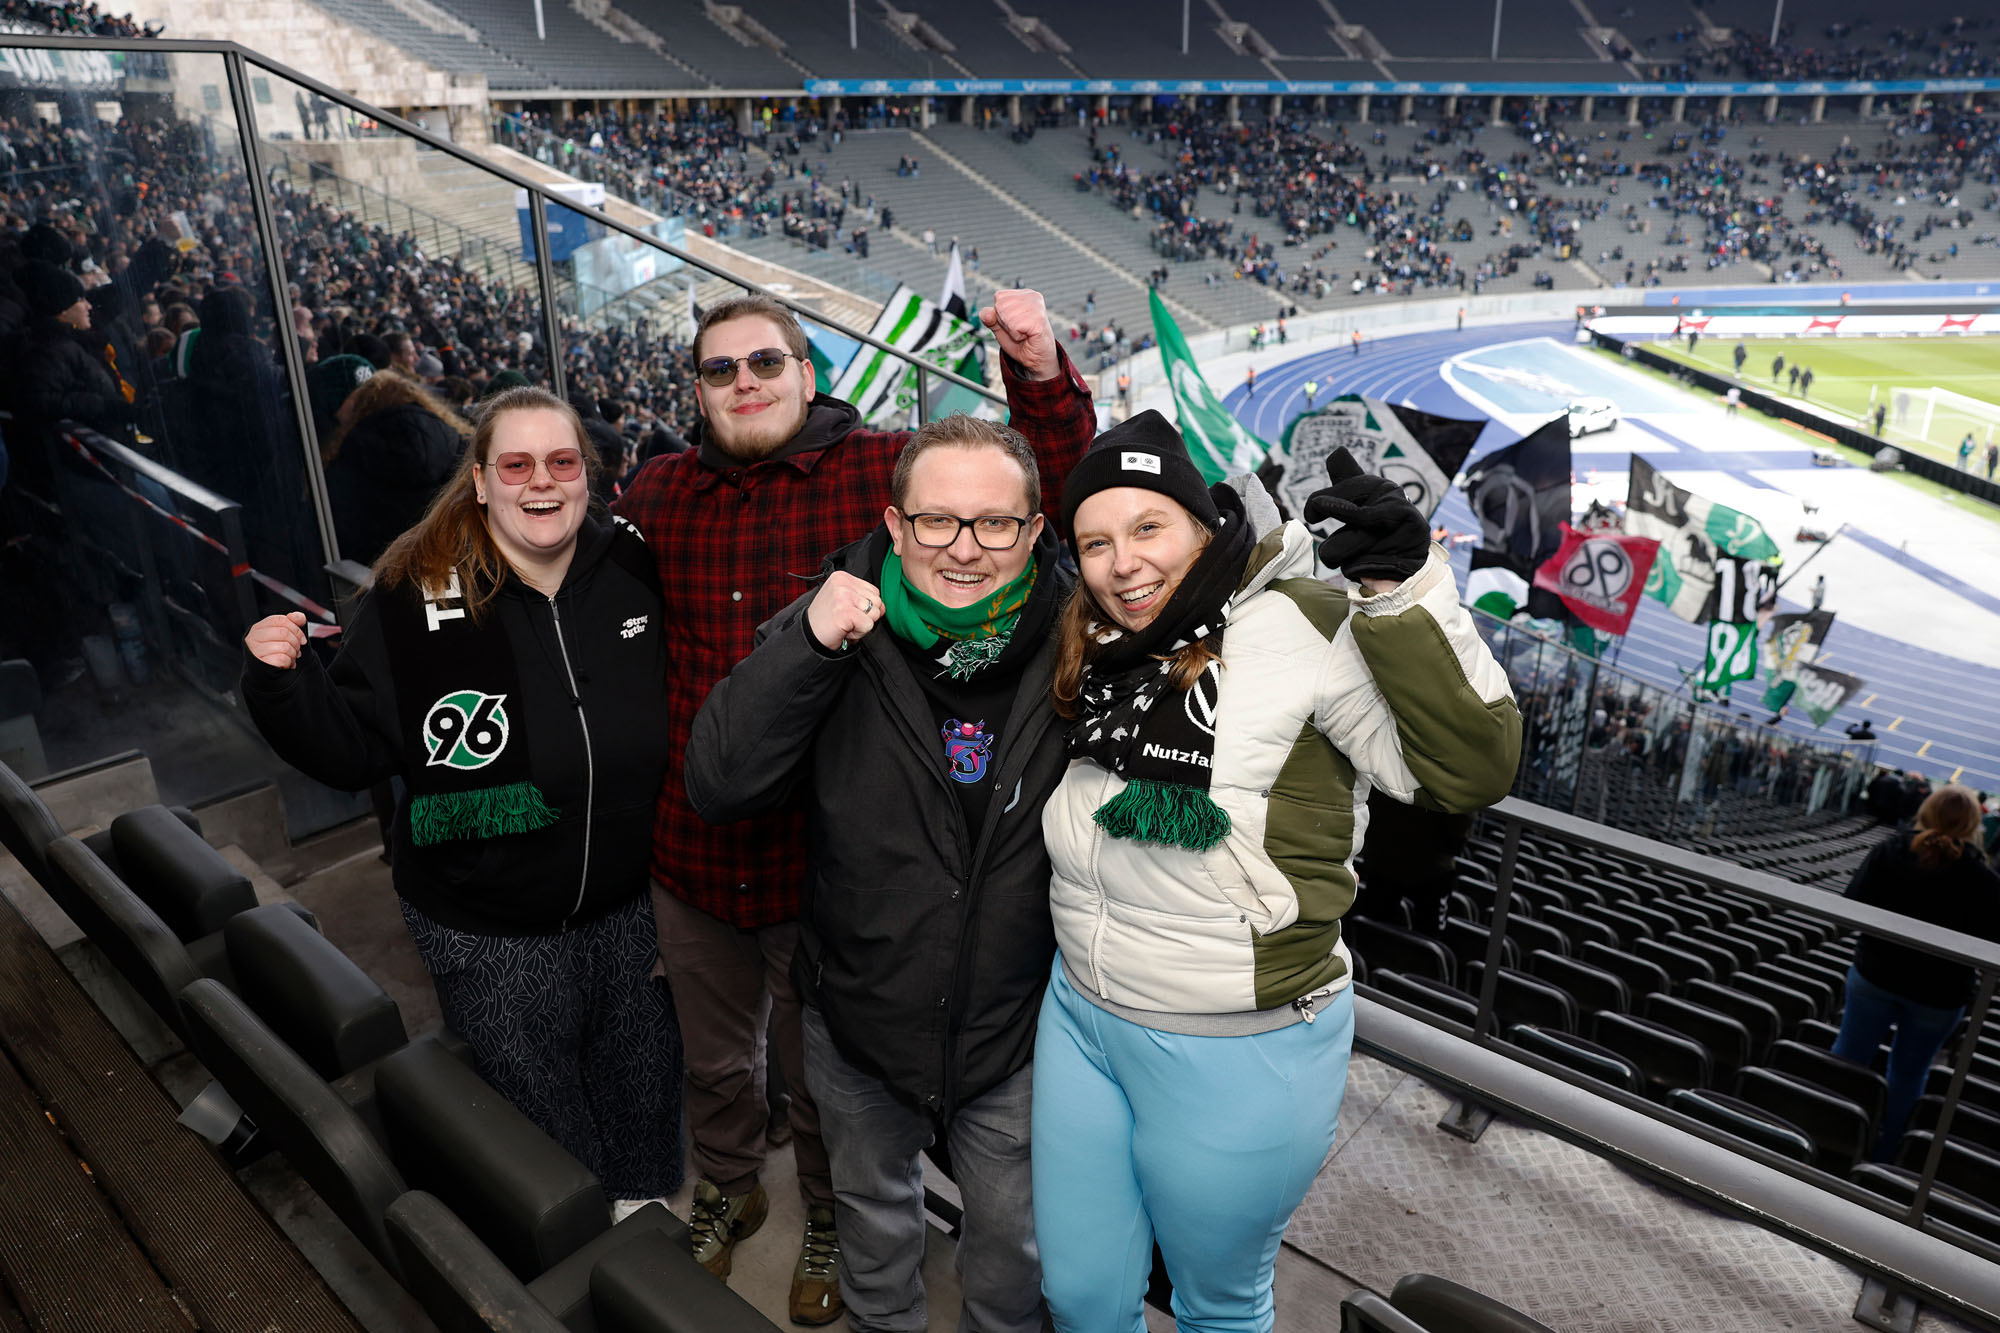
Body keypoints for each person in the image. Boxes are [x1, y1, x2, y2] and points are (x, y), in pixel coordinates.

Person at [612, 289, 1094, 1319]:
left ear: (809, 372)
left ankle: (818, 1219)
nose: (960, 544)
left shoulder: (1059, 628)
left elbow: (1048, 481)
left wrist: (1039, 372)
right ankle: (737, 1193)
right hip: (725, 864)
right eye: (718, 369)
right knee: (725, 1069)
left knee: (992, 1227)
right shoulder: (657, 493)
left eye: (766, 363)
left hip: (885, 935)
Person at [1031, 414, 1521, 1333]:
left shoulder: (1305, 620)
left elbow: (1468, 769)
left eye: (1148, 529)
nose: (1121, 563)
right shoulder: (1093, 634)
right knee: (1081, 1297)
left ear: (1202, 524)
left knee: (1218, 1305)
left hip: (1241, 1043)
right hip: (1081, 1015)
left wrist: (1401, 589)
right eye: (1095, 542)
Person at [240, 387, 685, 1214]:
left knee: (641, 1080)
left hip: (628, 904)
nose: (540, 482)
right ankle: (586, 1257)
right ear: (481, 480)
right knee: (541, 1121)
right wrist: (278, 686)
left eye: (561, 462)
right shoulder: (415, 593)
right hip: (488, 921)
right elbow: (351, 748)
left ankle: (648, 1224)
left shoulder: (630, 563)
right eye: (516, 464)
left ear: (588, 475)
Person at [687, 415, 1072, 1333]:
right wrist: (809, 645)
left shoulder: (1080, 639)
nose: (965, 549)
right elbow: (719, 781)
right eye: (937, 521)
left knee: (1014, 1250)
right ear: (894, 526)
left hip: (1013, 1035)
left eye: (994, 524)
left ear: (1034, 529)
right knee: (872, 1224)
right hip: (857, 1021)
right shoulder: (836, 619)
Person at [1833, 786, 2000, 1159]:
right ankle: (1884, 1153)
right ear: (1975, 825)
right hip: (1939, 996)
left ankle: (1831, 1125)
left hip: (1875, 975)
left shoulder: (1888, 851)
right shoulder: (1985, 880)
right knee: (1909, 1074)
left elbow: (1851, 906)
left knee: (1848, 1056)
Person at [321, 369, 470, 567]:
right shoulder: (451, 438)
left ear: (365, 406)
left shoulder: (355, 443)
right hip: (440, 563)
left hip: (373, 569)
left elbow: (339, 514)